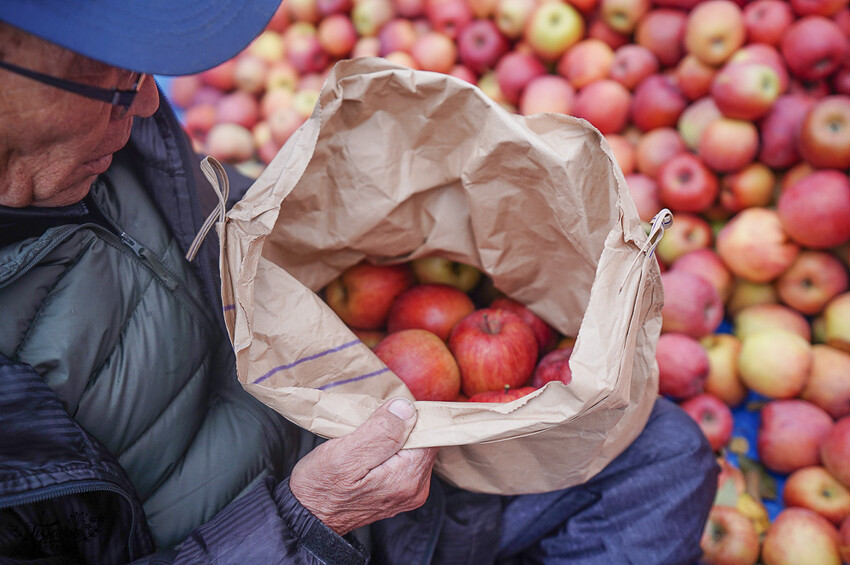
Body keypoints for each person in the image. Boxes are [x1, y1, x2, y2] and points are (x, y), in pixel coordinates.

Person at [0, 2, 718, 564]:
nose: (151, 103)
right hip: (301, 521)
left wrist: (375, 211)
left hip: (349, 418)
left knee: (665, 459)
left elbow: (228, 219)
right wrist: (308, 520)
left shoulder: (115, 137)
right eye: (113, 77)